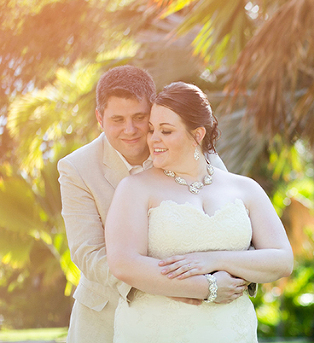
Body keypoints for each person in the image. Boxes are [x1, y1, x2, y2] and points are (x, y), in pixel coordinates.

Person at [58, 66, 237, 343]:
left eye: (139, 117)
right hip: (106, 316)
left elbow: (231, 217)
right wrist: (171, 285)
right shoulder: (76, 168)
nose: (129, 130)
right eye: (117, 119)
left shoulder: (192, 150)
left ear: (153, 111)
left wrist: (228, 278)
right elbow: (88, 253)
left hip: (195, 316)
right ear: (99, 118)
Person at [105, 81, 293, 343]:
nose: (153, 139)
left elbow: (282, 260)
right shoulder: (135, 188)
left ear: (197, 134)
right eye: (151, 130)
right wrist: (210, 287)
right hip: (156, 331)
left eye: (166, 131)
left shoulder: (245, 188)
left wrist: (215, 259)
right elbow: (124, 263)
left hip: (230, 331)